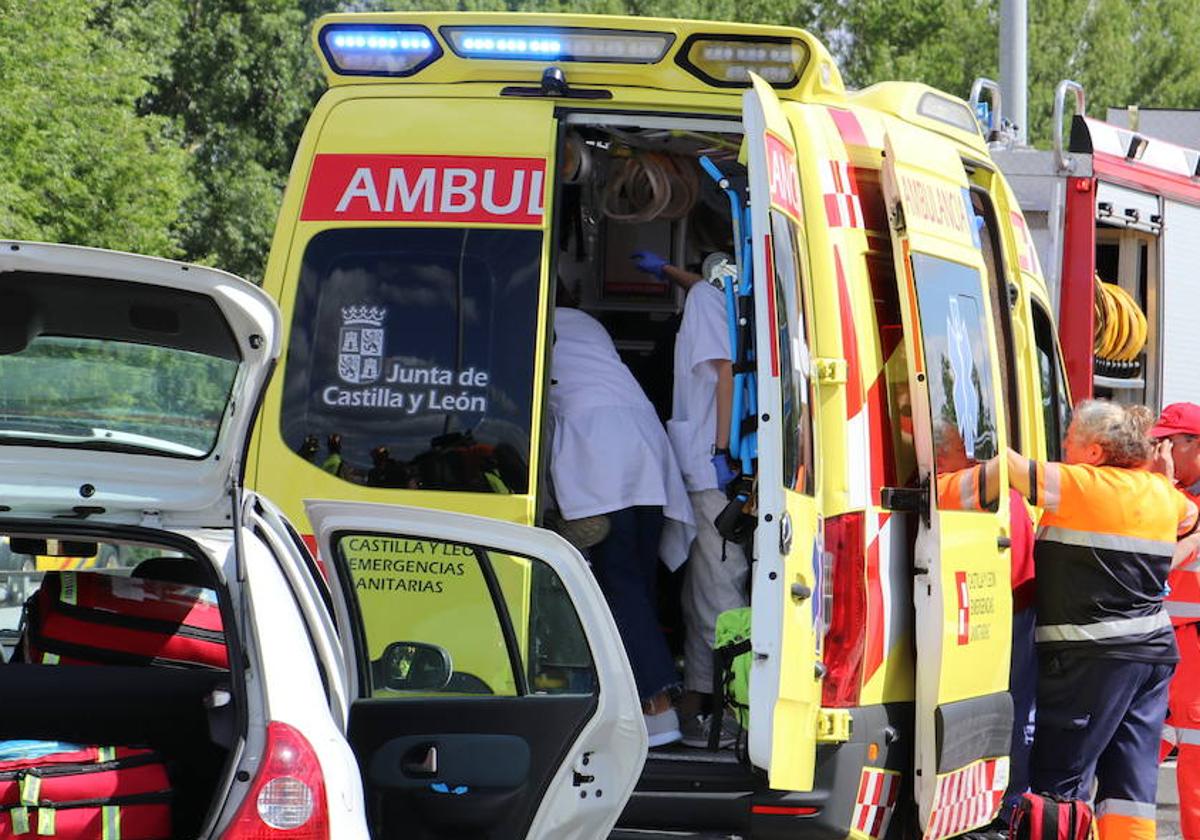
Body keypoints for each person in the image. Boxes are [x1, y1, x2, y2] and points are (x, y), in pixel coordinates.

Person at [1007, 399, 1199, 840]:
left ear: (1094, 451)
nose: (1064, 446)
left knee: (1060, 784)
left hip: (1093, 657)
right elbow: (1189, 523)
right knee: (1128, 788)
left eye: (1070, 438)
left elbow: (1009, 466)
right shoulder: (1164, 495)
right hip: (1153, 654)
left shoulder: (1078, 483)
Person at [547, 301, 695, 747]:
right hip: (642, 443)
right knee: (639, 582)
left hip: (595, 450)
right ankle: (638, 704)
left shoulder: (528, 312)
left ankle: (658, 707)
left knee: (617, 585)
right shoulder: (585, 321)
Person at [632, 250, 745, 748]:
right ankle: (702, 699)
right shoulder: (729, 291)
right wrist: (671, 273)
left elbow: (725, 372)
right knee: (702, 588)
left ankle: (731, 710)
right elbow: (705, 285)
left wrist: (722, 450)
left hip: (709, 465)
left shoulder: (705, 297)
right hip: (711, 463)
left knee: (717, 592)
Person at [1149, 402, 1200, 839]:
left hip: (1192, 648)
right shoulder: (1174, 495)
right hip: (1165, 642)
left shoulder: (1178, 501)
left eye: (1168, 443)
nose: (1159, 451)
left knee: (1195, 758)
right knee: (1141, 745)